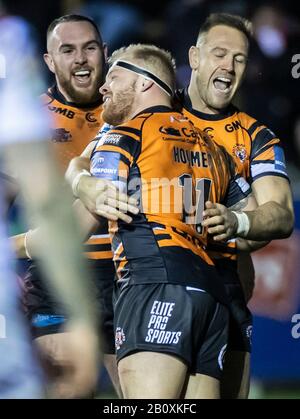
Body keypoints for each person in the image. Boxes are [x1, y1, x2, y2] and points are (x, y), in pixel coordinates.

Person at [79, 43, 263, 399]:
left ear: (145, 83)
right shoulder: (215, 148)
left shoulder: (124, 135)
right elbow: (255, 230)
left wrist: (76, 180)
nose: (103, 86)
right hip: (210, 297)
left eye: (114, 76)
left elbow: (76, 228)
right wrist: (235, 224)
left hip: (152, 283)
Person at [176, 13, 294, 398]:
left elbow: (280, 214)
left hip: (227, 301)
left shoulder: (256, 137)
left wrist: (237, 222)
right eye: (219, 53)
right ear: (195, 57)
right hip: (154, 292)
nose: (228, 66)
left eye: (239, 59)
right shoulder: (153, 119)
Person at [9, 14, 126, 397]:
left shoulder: (136, 116)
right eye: (68, 50)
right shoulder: (30, 121)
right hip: (57, 278)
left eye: (89, 48)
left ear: (104, 53)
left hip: (129, 276)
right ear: (48, 61)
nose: (80, 59)